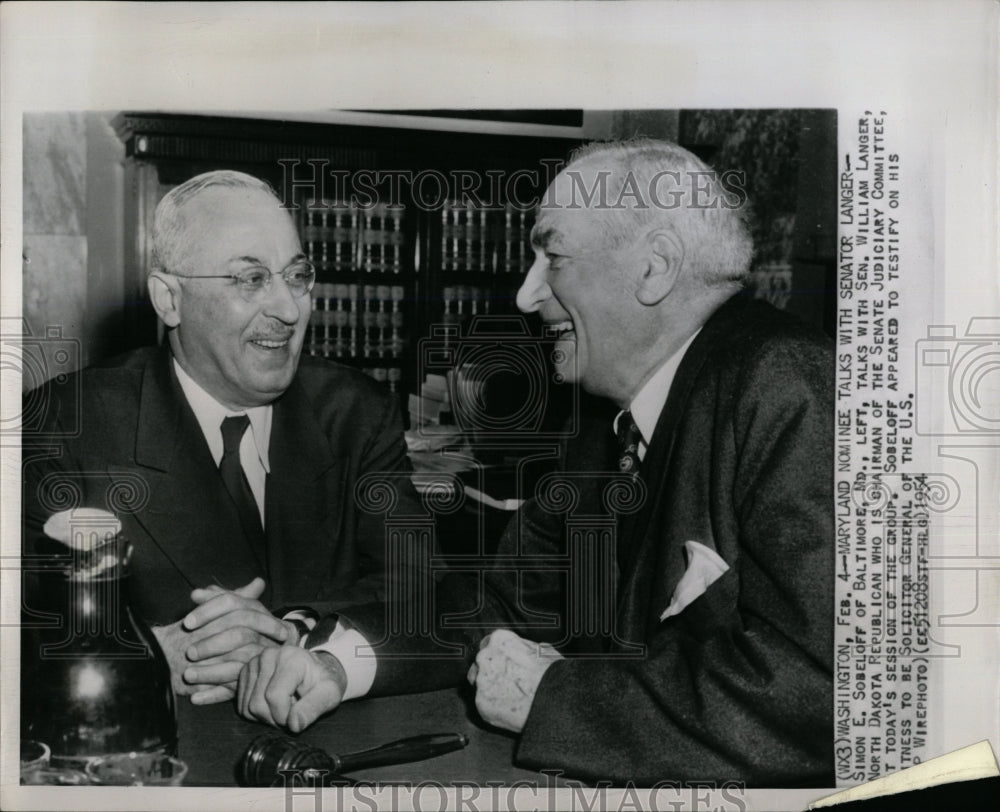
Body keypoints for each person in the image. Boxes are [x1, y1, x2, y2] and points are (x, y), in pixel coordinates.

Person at [234, 140, 835, 786]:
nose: (526, 295)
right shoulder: (608, 428)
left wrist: (556, 697)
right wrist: (336, 662)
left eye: (553, 257)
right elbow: (501, 605)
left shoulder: (788, 384)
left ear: (655, 268)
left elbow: (820, 695)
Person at [21, 170, 422, 705]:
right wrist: (141, 659)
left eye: (297, 275)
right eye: (251, 278)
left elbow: (421, 599)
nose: (288, 308)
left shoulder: (357, 414)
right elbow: (19, 629)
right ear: (169, 300)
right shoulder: (65, 426)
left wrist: (295, 634)